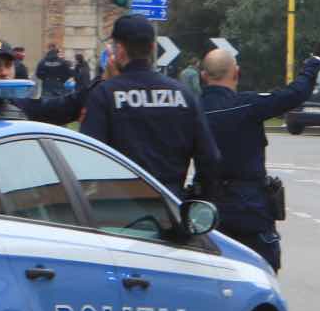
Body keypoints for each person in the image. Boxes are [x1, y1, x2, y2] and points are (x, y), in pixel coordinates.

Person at [200, 30, 320, 273]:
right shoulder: (249, 104)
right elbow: (294, 93)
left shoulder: (191, 109)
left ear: (203, 77)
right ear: (237, 73)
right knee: (261, 277)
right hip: (250, 212)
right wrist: (314, 62)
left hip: (206, 212)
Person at [80, 15, 220, 199]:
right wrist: (198, 199)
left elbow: (86, 157)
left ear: (120, 50)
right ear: (152, 47)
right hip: (171, 205)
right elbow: (210, 158)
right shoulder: (183, 94)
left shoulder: (105, 95)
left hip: (121, 210)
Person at [0, 38, 88, 124]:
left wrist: (100, 83)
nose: (3, 73)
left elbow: (61, 106)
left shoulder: (20, 107)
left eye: (8, 66)